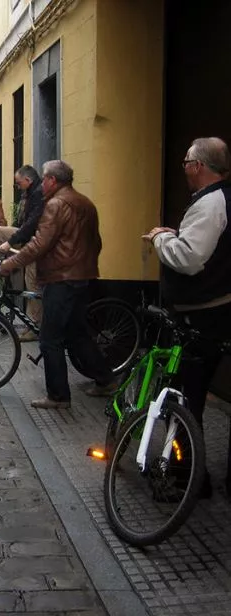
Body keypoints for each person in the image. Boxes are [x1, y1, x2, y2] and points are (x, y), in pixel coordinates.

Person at [144, 137, 231, 495]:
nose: (183, 170)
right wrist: (177, 234)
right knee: (190, 394)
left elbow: (190, 259)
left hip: (203, 315)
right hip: (217, 311)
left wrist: (160, 240)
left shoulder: (210, 203)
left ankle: (186, 478)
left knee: (184, 397)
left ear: (197, 166)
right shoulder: (221, 199)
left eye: (185, 163)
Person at [0, 160, 115, 409]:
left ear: (52, 180)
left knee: (50, 339)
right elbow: (97, 242)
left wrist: (10, 264)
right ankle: (106, 380)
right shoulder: (86, 203)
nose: (41, 185)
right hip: (83, 277)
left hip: (61, 279)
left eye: (44, 179)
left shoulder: (55, 205)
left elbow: (40, 244)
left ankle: (58, 396)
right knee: (77, 335)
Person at [0, 165, 46, 340]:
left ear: (28, 180)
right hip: (26, 236)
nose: (17, 186)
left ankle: (34, 326)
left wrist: (10, 242)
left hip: (36, 241)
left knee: (31, 281)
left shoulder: (39, 194)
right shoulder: (29, 193)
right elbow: (23, 224)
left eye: (19, 183)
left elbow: (32, 224)